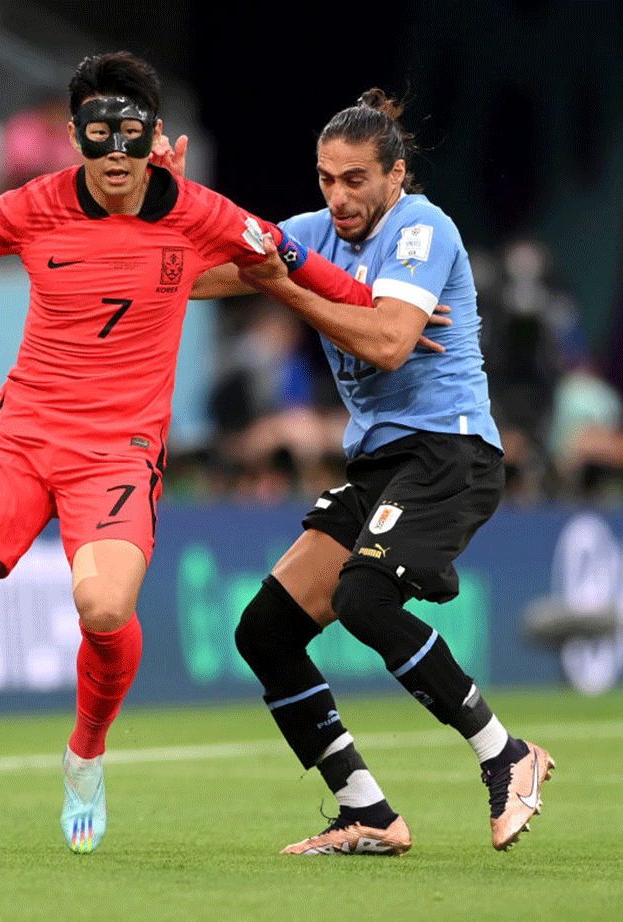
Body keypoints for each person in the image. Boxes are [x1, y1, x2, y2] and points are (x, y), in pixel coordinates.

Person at [0, 51, 377, 856]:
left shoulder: (199, 211)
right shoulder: (32, 205)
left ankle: (85, 750)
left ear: (153, 135)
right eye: (97, 134)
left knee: (105, 611)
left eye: (129, 133)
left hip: (117, 454)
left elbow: (300, 263)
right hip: (19, 440)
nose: (114, 153)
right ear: (73, 137)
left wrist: (381, 308)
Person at [178, 90, 555, 854]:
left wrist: (283, 283)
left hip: (449, 452)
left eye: (355, 179)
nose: (338, 197)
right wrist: (153, 209)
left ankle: (508, 755)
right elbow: (193, 272)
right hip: (382, 462)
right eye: (326, 179)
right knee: (265, 632)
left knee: (363, 598)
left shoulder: (423, 229)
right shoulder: (315, 234)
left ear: (396, 175)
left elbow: (387, 342)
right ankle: (368, 812)